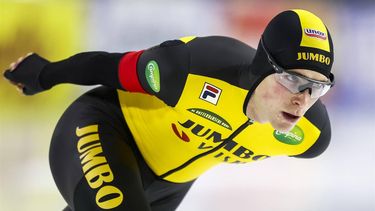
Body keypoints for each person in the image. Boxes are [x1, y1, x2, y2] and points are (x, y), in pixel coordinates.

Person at [3, 9, 335, 211]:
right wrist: (45, 74)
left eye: (317, 87)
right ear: (264, 67)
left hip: (167, 187)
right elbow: (110, 67)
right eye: (293, 80)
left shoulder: (310, 137)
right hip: (105, 130)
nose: (303, 99)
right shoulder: (192, 69)